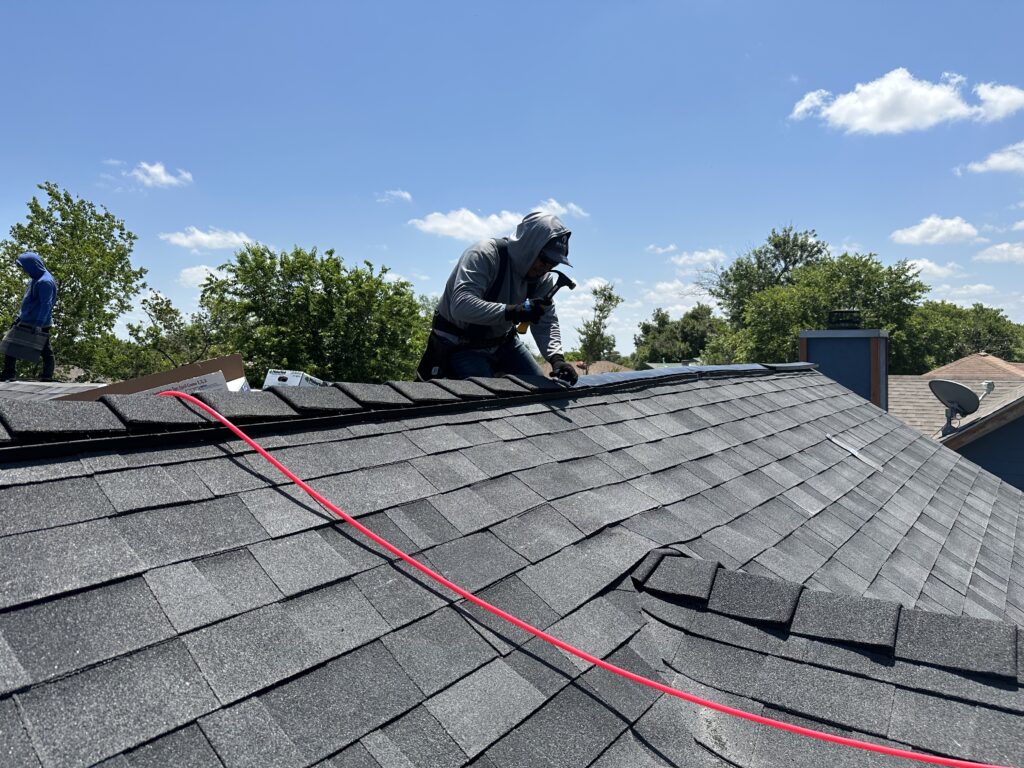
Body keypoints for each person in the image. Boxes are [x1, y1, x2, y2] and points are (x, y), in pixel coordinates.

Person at [421, 211, 579, 384]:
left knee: (539, 390)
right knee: (487, 400)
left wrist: (557, 359)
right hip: (461, 344)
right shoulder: (484, 254)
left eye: (554, 262)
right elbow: (461, 305)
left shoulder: (542, 277)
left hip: (504, 343)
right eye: (544, 259)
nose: (546, 267)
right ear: (529, 247)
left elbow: (546, 320)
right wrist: (512, 311)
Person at [2, 252, 57, 381]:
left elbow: (46, 305)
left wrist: (38, 324)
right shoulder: (35, 278)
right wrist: (20, 317)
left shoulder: (45, 282)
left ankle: (47, 376)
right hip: (26, 319)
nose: (24, 270)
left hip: (38, 322)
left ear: (33, 265)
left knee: (45, 350)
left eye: (25, 267)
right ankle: (8, 373)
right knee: (10, 345)